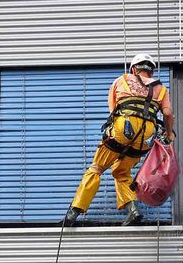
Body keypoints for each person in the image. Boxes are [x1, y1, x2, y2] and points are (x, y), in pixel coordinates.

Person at [64, 53, 176, 226]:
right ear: (151, 71)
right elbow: (168, 114)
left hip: (123, 129)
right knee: (121, 171)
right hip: (144, 138)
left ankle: (74, 212)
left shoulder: (121, 80)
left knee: (96, 168)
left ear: (133, 69)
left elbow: (113, 111)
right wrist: (168, 135)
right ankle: (133, 211)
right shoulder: (161, 89)